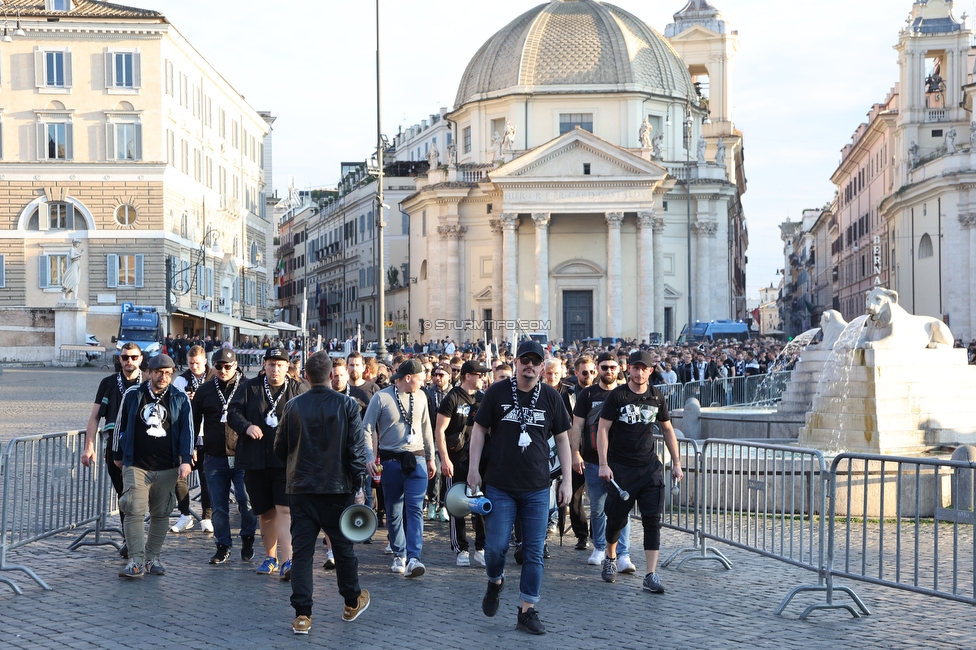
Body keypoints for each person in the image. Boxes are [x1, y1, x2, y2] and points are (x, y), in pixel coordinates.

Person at [468, 340, 572, 636]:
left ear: (542, 365)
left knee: (534, 552)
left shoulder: (552, 397)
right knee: (497, 548)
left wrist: (567, 479)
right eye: (524, 359)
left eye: (535, 360)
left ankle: (527, 610)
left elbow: (563, 439)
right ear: (515, 362)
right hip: (500, 485)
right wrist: (474, 469)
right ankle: (495, 580)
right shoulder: (497, 392)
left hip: (538, 487)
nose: (530, 365)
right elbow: (478, 431)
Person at [274, 352, 370, 635]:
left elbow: (280, 447)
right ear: (330, 375)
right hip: (336, 487)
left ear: (305, 375)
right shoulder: (347, 404)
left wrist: (294, 465)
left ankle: (302, 615)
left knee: (302, 553)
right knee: (342, 548)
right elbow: (356, 450)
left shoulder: (293, 405)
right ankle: (351, 602)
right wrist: (358, 485)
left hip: (301, 487)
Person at [597, 351, 684, 593]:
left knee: (652, 521)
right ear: (629, 369)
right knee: (616, 519)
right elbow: (603, 430)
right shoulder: (617, 396)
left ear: (650, 370)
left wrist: (676, 463)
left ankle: (650, 574)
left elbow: (667, 430)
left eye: (643, 368)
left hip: (649, 468)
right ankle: (611, 557)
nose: (638, 372)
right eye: (634, 368)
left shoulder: (656, 396)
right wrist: (603, 464)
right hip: (621, 469)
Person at [228, 347, 308, 578]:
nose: (275, 369)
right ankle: (270, 557)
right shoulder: (250, 387)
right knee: (265, 512)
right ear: (264, 365)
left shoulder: (296, 389)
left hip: (286, 462)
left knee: (285, 510)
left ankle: (288, 561)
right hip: (256, 460)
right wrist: (247, 426)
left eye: (280, 364)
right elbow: (232, 412)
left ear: (287, 367)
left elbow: (311, 416)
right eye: (271, 364)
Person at [112, 354, 193, 578]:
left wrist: (185, 460)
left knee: (161, 513)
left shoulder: (180, 398)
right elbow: (120, 424)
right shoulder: (133, 394)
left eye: (168, 373)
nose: (163, 377)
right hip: (136, 464)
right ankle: (135, 561)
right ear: (149, 372)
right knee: (133, 510)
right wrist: (117, 454)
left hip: (167, 466)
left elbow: (188, 430)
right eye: (159, 373)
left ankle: (152, 558)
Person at [364, 359, 436, 578]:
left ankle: (414, 557)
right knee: (394, 511)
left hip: (417, 460)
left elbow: (427, 429)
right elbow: (366, 428)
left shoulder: (422, 396)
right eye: (420, 378)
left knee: (414, 509)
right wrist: (369, 456)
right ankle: (399, 553)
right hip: (391, 462)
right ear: (408, 378)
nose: (423, 382)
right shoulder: (382, 397)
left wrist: (431, 458)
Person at [191, 348, 257, 564]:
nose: (223, 370)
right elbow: (193, 422)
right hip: (214, 456)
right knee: (218, 506)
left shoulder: (248, 387)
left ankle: (247, 537)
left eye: (227, 366)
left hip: (243, 456)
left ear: (235, 365)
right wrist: (191, 448)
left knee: (246, 500)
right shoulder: (205, 390)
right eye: (218, 366)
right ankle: (222, 546)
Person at [570, 352, 634, 571]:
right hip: (592, 459)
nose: (609, 371)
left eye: (612, 367)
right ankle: (598, 547)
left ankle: (623, 553)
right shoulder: (587, 395)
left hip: (622, 462)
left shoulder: (627, 393)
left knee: (622, 509)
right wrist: (574, 454)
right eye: (604, 367)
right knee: (597, 508)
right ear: (598, 368)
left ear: (619, 369)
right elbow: (576, 426)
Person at [82, 341, 143, 558]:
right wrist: (89, 446)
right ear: (119, 359)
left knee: (140, 496)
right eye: (125, 357)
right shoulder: (108, 383)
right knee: (124, 496)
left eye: (134, 357)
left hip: (144, 450)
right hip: (115, 449)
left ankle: (139, 540)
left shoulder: (147, 382)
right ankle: (130, 539)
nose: (129, 361)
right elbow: (95, 417)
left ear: (140, 359)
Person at [433, 360, 490, 567]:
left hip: (479, 460)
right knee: (456, 505)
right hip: (455, 460)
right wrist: (444, 459)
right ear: (468, 376)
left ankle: (481, 547)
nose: (482, 378)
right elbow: (439, 430)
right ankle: (461, 549)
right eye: (479, 374)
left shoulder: (484, 398)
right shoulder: (452, 398)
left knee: (482, 503)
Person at [171, 345, 213, 534]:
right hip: (186, 435)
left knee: (207, 478)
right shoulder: (181, 380)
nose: (194, 366)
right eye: (190, 363)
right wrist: (185, 399)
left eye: (197, 363)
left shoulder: (213, 377)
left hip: (208, 435)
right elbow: (172, 404)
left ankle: (207, 516)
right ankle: (185, 514)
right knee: (180, 475)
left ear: (205, 361)